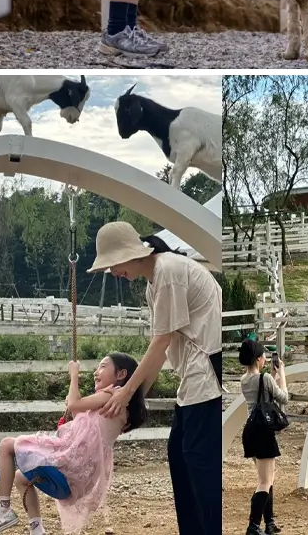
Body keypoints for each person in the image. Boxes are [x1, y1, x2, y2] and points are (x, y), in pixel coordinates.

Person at [86, 222, 222, 535]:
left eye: (112, 264)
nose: (113, 272)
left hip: (205, 375)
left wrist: (125, 393)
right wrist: (132, 405)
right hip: (192, 378)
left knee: (198, 462)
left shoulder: (169, 272)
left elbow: (161, 341)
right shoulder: (155, 282)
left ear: (128, 254)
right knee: (180, 455)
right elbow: (159, 353)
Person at [0, 352, 147, 535]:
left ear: (121, 375)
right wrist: (75, 404)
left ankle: (2, 510)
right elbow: (82, 421)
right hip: (78, 475)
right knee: (20, 478)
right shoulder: (115, 404)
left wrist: (73, 375)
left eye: (103, 366)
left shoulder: (113, 394)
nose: (96, 372)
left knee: (7, 445)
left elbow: (74, 404)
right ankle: (36, 529)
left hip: (71, 466)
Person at [239, 338, 289, 535]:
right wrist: (282, 374)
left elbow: (264, 391)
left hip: (251, 430)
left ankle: (269, 522)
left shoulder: (244, 380)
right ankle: (253, 526)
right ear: (259, 358)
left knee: (267, 478)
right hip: (264, 433)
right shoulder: (265, 378)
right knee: (264, 481)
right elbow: (284, 396)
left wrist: (273, 376)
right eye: (264, 356)